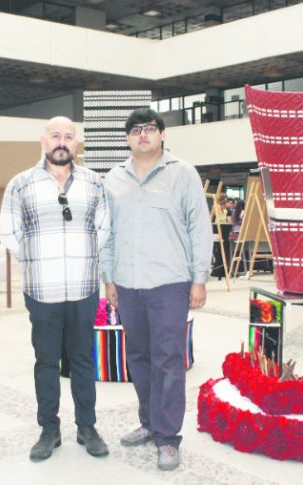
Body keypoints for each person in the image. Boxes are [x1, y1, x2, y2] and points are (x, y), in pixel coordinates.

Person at [100, 108, 212, 471]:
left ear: (162, 134)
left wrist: (199, 279)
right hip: (128, 285)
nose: (143, 135)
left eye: (150, 128)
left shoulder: (182, 173)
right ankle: (148, 422)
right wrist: (109, 279)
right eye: (135, 130)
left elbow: (199, 228)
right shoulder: (114, 179)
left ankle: (167, 437)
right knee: (140, 358)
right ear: (127, 138)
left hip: (170, 284)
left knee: (168, 360)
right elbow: (108, 234)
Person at [0, 116, 111, 462]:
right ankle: (49, 429)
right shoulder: (21, 184)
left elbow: (104, 229)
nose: (62, 141)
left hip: (82, 288)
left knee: (82, 360)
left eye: (69, 136)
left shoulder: (95, 184)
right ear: (43, 140)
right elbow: (9, 233)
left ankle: (87, 427)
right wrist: (35, 260)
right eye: (55, 135)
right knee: (46, 361)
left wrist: (85, 259)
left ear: (76, 144)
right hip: (42, 291)